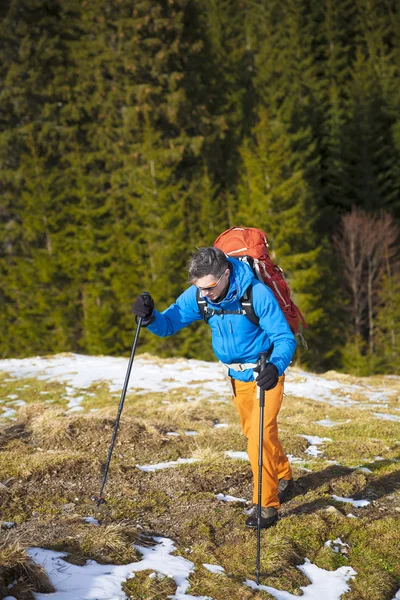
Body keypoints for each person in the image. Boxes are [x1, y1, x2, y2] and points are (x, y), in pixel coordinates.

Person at [132, 247, 296, 529]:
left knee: (258, 438)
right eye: (199, 288)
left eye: (209, 287)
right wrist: (150, 318)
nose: (204, 294)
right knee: (257, 433)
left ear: (226, 274)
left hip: (265, 372)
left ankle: (265, 505)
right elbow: (170, 323)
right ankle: (283, 475)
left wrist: (276, 366)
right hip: (236, 378)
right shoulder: (199, 294)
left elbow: (284, 338)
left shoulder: (256, 294)